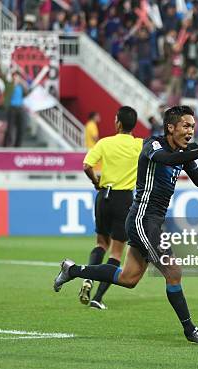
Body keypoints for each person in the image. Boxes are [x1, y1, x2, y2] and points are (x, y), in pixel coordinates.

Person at [54, 106, 198, 344]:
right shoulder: (153, 145)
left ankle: (73, 270)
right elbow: (167, 158)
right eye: (186, 125)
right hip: (142, 220)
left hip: (153, 222)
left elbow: (197, 177)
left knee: (129, 278)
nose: (190, 130)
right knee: (173, 272)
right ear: (170, 127)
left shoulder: (183, 151)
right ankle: (190, 330)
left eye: (192, 126)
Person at [79, 106, 142, 309]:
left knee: (100, 244)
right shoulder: (139, 145)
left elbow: (87, 166)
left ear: (118, 123)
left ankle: (87, 277)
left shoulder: (105, 142)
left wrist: (96, 182)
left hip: (103, 196)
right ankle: (97, 298)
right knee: (116, 253)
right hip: (124, 200)